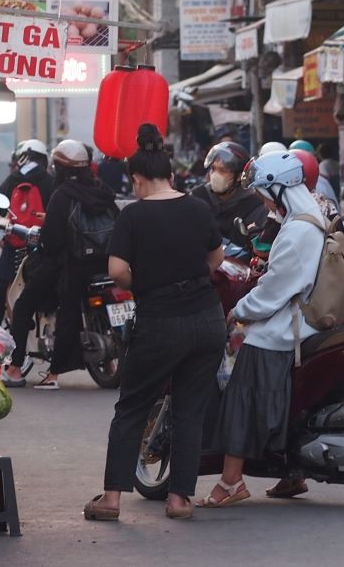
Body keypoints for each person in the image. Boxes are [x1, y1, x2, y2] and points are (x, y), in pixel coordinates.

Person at [83, 123, 225, 522]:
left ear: (138, 179)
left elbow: (117, 272)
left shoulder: (134, 215)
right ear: (172, 174)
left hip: (160, 320)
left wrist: (145, 279)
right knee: (190, 410)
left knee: (132, 407)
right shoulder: (198, 206)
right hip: (207, 320)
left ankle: (111, 499)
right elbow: (216, 260)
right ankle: (180, 499)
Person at [195, 150, 325, 508]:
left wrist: (240, 310)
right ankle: (290, 473)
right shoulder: (307, 218)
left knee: (239, 398)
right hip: (297, 320)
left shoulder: (298, 229)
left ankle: (231, 482)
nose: (263, 200)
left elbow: (276, 288)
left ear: (282, 189)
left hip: (282, 329)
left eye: (266, 193)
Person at [3, 140, 118, 389]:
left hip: (70, 264)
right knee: (69, 307)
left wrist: (42, 242)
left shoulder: (62, 194)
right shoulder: (102, 191)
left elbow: (52, 240)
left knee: (24, 307)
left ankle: (18, 368)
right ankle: (108, 364)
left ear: (61, 167)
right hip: (104, 263)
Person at [0, 139, 55, 326]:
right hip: (44, 244)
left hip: (17, 240)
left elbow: (0, 210)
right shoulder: (50, 180)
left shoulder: (13, 178)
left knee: (0, 280)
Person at [190, 142, 269, 247]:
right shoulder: (198, 197)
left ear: (239, 176)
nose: (215, 175)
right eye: (213, 169)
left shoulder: (255, 206)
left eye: (223, 170)